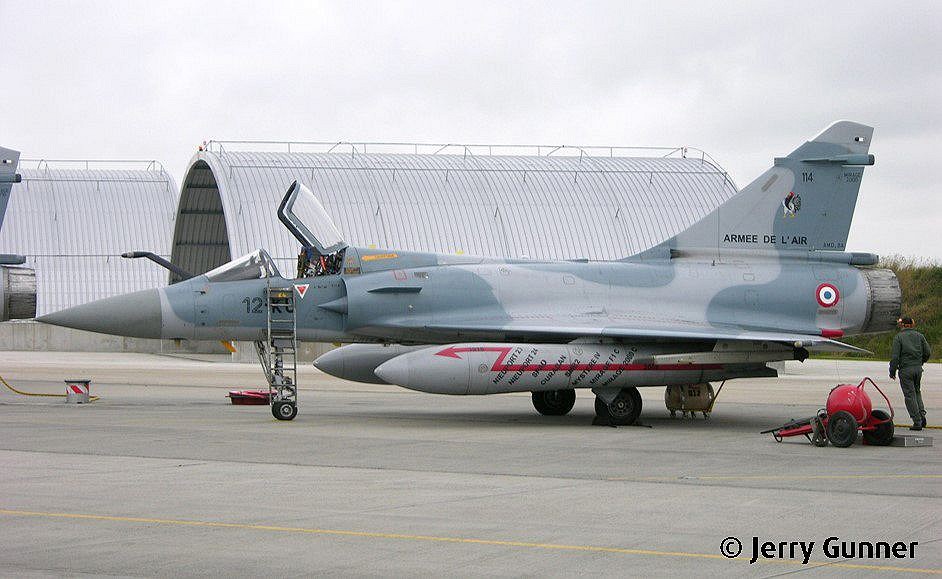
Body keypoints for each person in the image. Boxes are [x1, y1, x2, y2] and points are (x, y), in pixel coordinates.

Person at [889, 317, 932, 430]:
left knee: (909, 395)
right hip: (918, 369)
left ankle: (917, 421)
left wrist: (892, 371)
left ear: (903, 325)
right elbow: (927, 352)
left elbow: (895, 357)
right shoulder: (920, 336)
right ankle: (922, 416)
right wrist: (920, 362)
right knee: (917, 392)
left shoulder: (898, 337)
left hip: (906, 370)